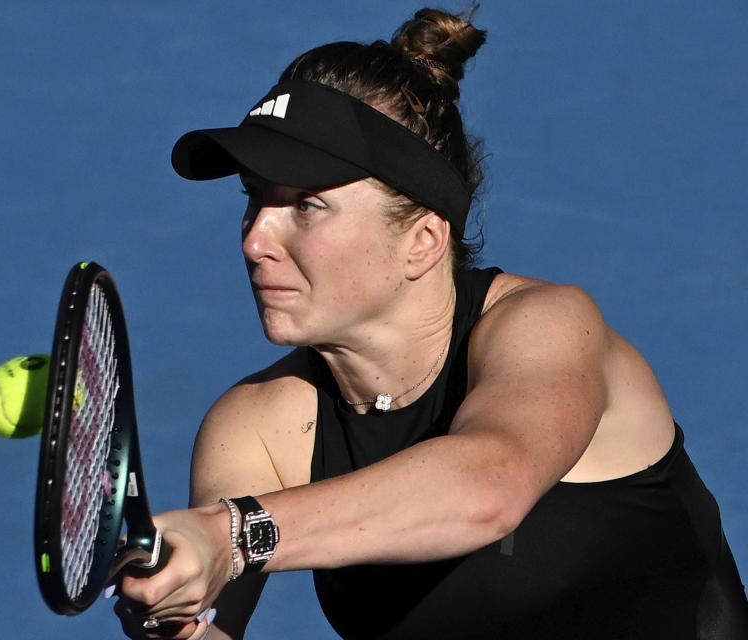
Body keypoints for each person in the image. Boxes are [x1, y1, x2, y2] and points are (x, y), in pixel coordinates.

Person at [114, 7, 748, 639]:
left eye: (307, 205)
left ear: (421, 240)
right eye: (254, 197)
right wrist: (180, 626)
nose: (256, 240)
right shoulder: (256, 429)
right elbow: (214, 620)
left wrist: (235, 533)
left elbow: (488, 488)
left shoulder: (548, 326)